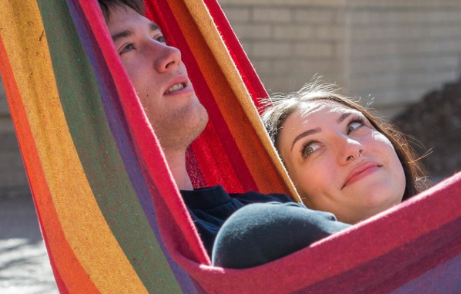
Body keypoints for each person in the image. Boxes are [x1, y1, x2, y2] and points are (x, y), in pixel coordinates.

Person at [100, 0, 350, 269]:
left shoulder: (268, 207)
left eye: (159, 37)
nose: (171, 53)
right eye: (127, 47)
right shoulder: (248, 233)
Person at [261, 83, 427, 224]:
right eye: (311, 148)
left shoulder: (453, 234)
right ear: (289, 188)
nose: (352, 148)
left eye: (354, 127)